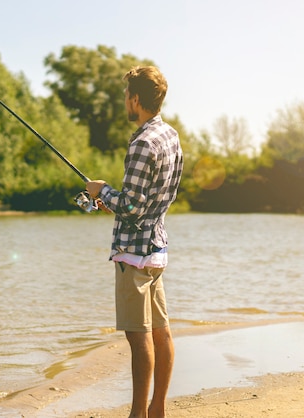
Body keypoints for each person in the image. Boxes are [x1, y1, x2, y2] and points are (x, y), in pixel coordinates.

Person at [86, 66, 183, 418]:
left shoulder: (142, 142)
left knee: (139, 336)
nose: (125, 100)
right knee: (161, 332)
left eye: (127, 95)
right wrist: (111, 197)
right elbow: (160, 195)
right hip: (156, 249)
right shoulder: (170, 136)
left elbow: (130, 206)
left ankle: (138, 414)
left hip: (133, 253)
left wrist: (102, 192)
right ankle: (157, 410)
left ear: (137, 99)